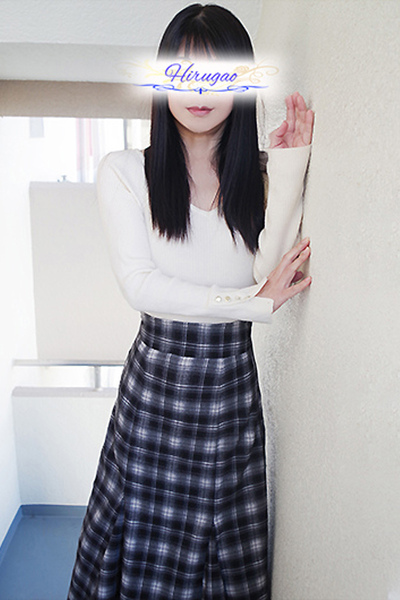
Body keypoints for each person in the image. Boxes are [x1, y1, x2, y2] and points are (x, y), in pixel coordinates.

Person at [67, 4, 314, 599]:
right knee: (143, 549)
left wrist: (288, 165)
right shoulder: (125, 172)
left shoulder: (256, 177)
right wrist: (253, 303)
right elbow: (141, 286)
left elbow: (268, 271)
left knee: (224, 554)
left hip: (231, 386)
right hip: (157, 389)